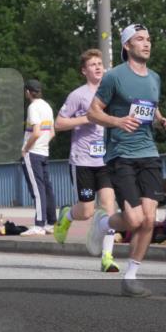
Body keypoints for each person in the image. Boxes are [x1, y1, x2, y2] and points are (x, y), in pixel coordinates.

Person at [88, 23, 166, 297]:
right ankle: (103, 224)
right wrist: (117, 121)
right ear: (127, 45)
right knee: (135, 219)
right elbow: (93, 112)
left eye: (148, 39)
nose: (146, 43)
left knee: (149, 220)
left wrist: (164, 121)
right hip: (121, 155)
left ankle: (131, 277)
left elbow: (152, 110)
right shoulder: (114, 77)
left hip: (149, 153)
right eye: (140, 39)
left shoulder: (155, 78)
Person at [52, 48, 121, 272]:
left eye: (100, 64)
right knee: (87, 211)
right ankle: (67, 215)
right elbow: (59, 124)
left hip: (105, 160)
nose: (98, 67)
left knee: (109, 207)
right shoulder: (78, 95)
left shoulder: (111, 93)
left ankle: (107, 257)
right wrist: (86, 118)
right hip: (82, 161)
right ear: (84, 71)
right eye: (92, 65)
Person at [21, 79, 56, 236]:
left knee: (37, 189)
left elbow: (35, 132)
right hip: (44, 152)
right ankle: (51, 223)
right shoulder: (47, 106)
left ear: (28, 92)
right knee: (47, 188)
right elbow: (52, 132)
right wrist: (43, 144)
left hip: (33, 153)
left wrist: (25, 149)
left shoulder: (33, 107)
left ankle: (39, 224)